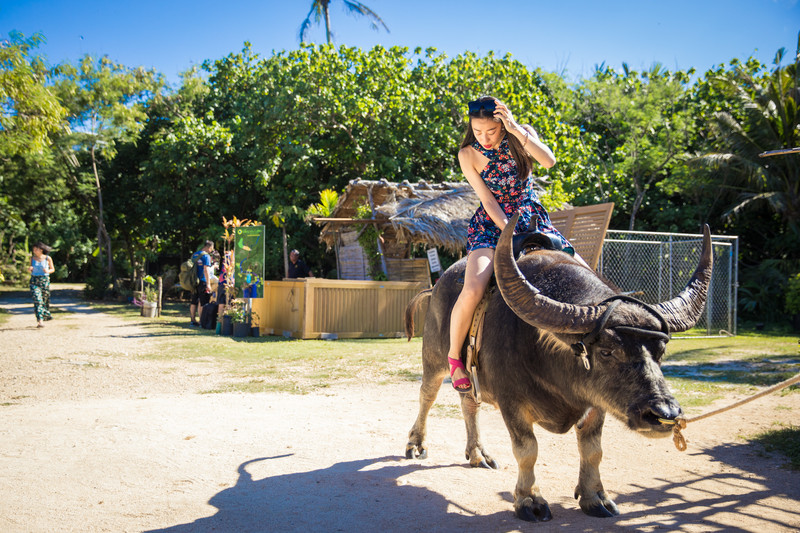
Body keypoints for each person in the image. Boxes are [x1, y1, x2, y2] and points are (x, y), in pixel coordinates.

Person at [447, 96, 589, 393]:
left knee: (584, 272)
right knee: (474, 286)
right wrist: (509, 232)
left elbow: (549, 161)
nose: (483, 138)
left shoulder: (519, 135)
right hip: (492, 222)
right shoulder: (467, 154)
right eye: (477, 131)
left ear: (502, 124)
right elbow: (487, 199)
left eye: (491, 131)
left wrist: (514, 128)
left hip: (532, 217)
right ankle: (454, 359)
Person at [28, 241, 55, 328]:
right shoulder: (32, 259)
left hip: (44, 280)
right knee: (37, 300)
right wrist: (30, 269)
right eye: (34, 249)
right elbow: (30, 269)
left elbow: (52, 269)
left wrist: (48, 271)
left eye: (36, 249)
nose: (34, 251)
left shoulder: (48, 258)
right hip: (34, 280)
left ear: (41, 249)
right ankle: (40, 321)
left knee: (44, 300)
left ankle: (46, 314)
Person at [189, 240, 214, 327]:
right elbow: (206, 270)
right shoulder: (206, 256)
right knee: (203, 302)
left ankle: (192, 321)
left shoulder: (195, 255)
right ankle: (201, 321)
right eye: (211, 249)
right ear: (209, 247)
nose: (211, 251)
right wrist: (208, 284)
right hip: (202, 281)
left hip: (193, 281)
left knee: (193, 301)